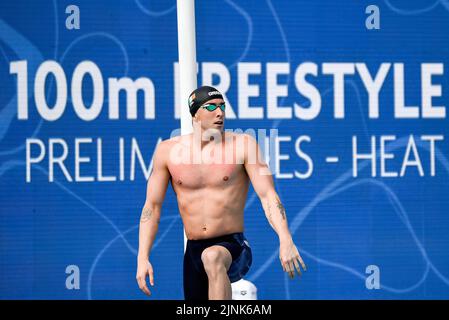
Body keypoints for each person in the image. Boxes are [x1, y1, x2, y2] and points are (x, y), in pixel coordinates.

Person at [136, 86, 306, 300]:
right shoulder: (167, 151)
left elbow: (268, 196)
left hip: (233, 247)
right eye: (212, 107)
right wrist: (142, 257)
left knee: (213, 256)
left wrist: (285, 238)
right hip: (193, 252)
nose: (220, 112)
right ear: (195, 113)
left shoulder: (244, 145)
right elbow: (152, 207)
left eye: (222, 106)